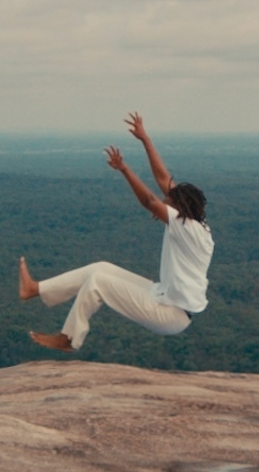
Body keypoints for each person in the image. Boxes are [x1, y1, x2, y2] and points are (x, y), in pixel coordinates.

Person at [18, 112, 212, 353]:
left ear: (180, 207)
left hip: (170, 314)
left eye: (168, 201)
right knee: (100, 268)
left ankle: (69, 338)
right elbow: (164, 178)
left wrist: (124, 169)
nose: (165, 202)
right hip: (164, 298)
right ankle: (35, 289)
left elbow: (149, 201)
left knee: (98, 283)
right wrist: (145, 139)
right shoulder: (196, 223)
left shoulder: (186, 227)